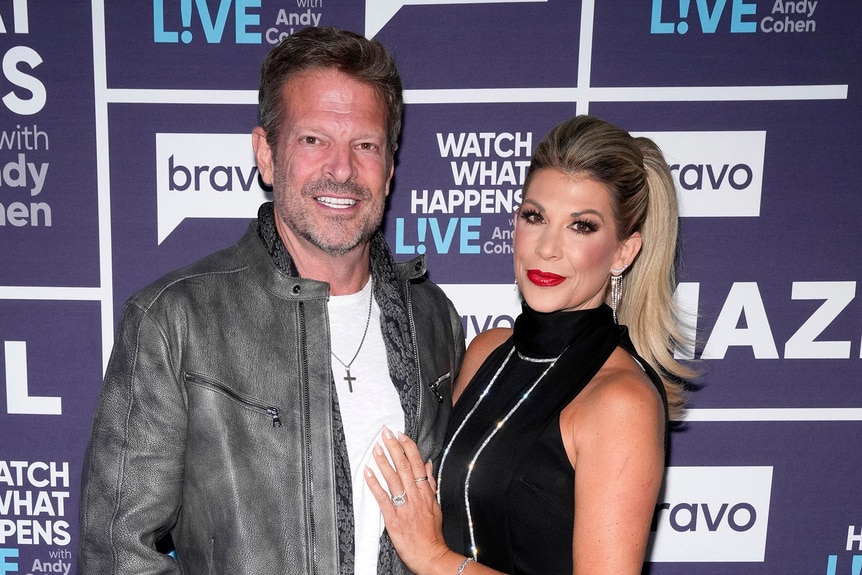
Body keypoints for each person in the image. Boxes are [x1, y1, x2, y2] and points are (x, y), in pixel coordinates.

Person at [78, 27, 464, 575]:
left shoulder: (433, 319)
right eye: (313, 140)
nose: (342, 169)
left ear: (390, 166)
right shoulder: (174, 320)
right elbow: (117, 555)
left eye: (365, 145)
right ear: (266, 152)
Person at [365, 115, 695, 574]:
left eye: (581, 227)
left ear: (623, 251)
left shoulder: (622, 401)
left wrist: (434, 559)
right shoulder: (486, 352)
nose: (547, 248)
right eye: (535, 216)